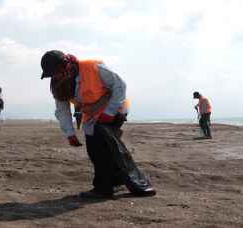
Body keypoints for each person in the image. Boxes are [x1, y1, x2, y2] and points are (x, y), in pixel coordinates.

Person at [40, 50, 156, 199]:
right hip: (92, 115)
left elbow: (120, 86)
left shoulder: (93, 67)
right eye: (52, 74)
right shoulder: (58, 85)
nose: (55, 77)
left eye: (56, 72)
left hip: (115, 107)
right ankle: (114, 182)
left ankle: (112, 187)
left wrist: (109, 112)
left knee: (103, 145)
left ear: (67, 65)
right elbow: (62, 110)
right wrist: (69, 133)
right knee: (96, 149)